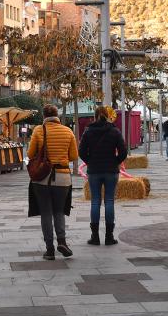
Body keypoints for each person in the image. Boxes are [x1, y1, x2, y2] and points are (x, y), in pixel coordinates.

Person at [27, 104, 78, 260]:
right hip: (62, 177)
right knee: (59, 211)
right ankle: (62, 241)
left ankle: (50, 250)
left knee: (46, 213)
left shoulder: (38, 130)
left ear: (44, 116)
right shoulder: (68, 131)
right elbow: (74, 156)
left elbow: (30, 154)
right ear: (57, 116)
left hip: (42, 178)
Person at [79, 107, 128, 247]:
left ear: (94, 117)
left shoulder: (88, 131)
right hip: (111, 170)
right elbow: (124, 152)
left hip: (94, 170)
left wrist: (90, 161)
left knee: (95, 201)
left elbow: (81, 151)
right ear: (107, 116)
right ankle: (109, 236)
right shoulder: (114, 131)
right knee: (109, 201)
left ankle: (94, 236)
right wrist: (116, 161)